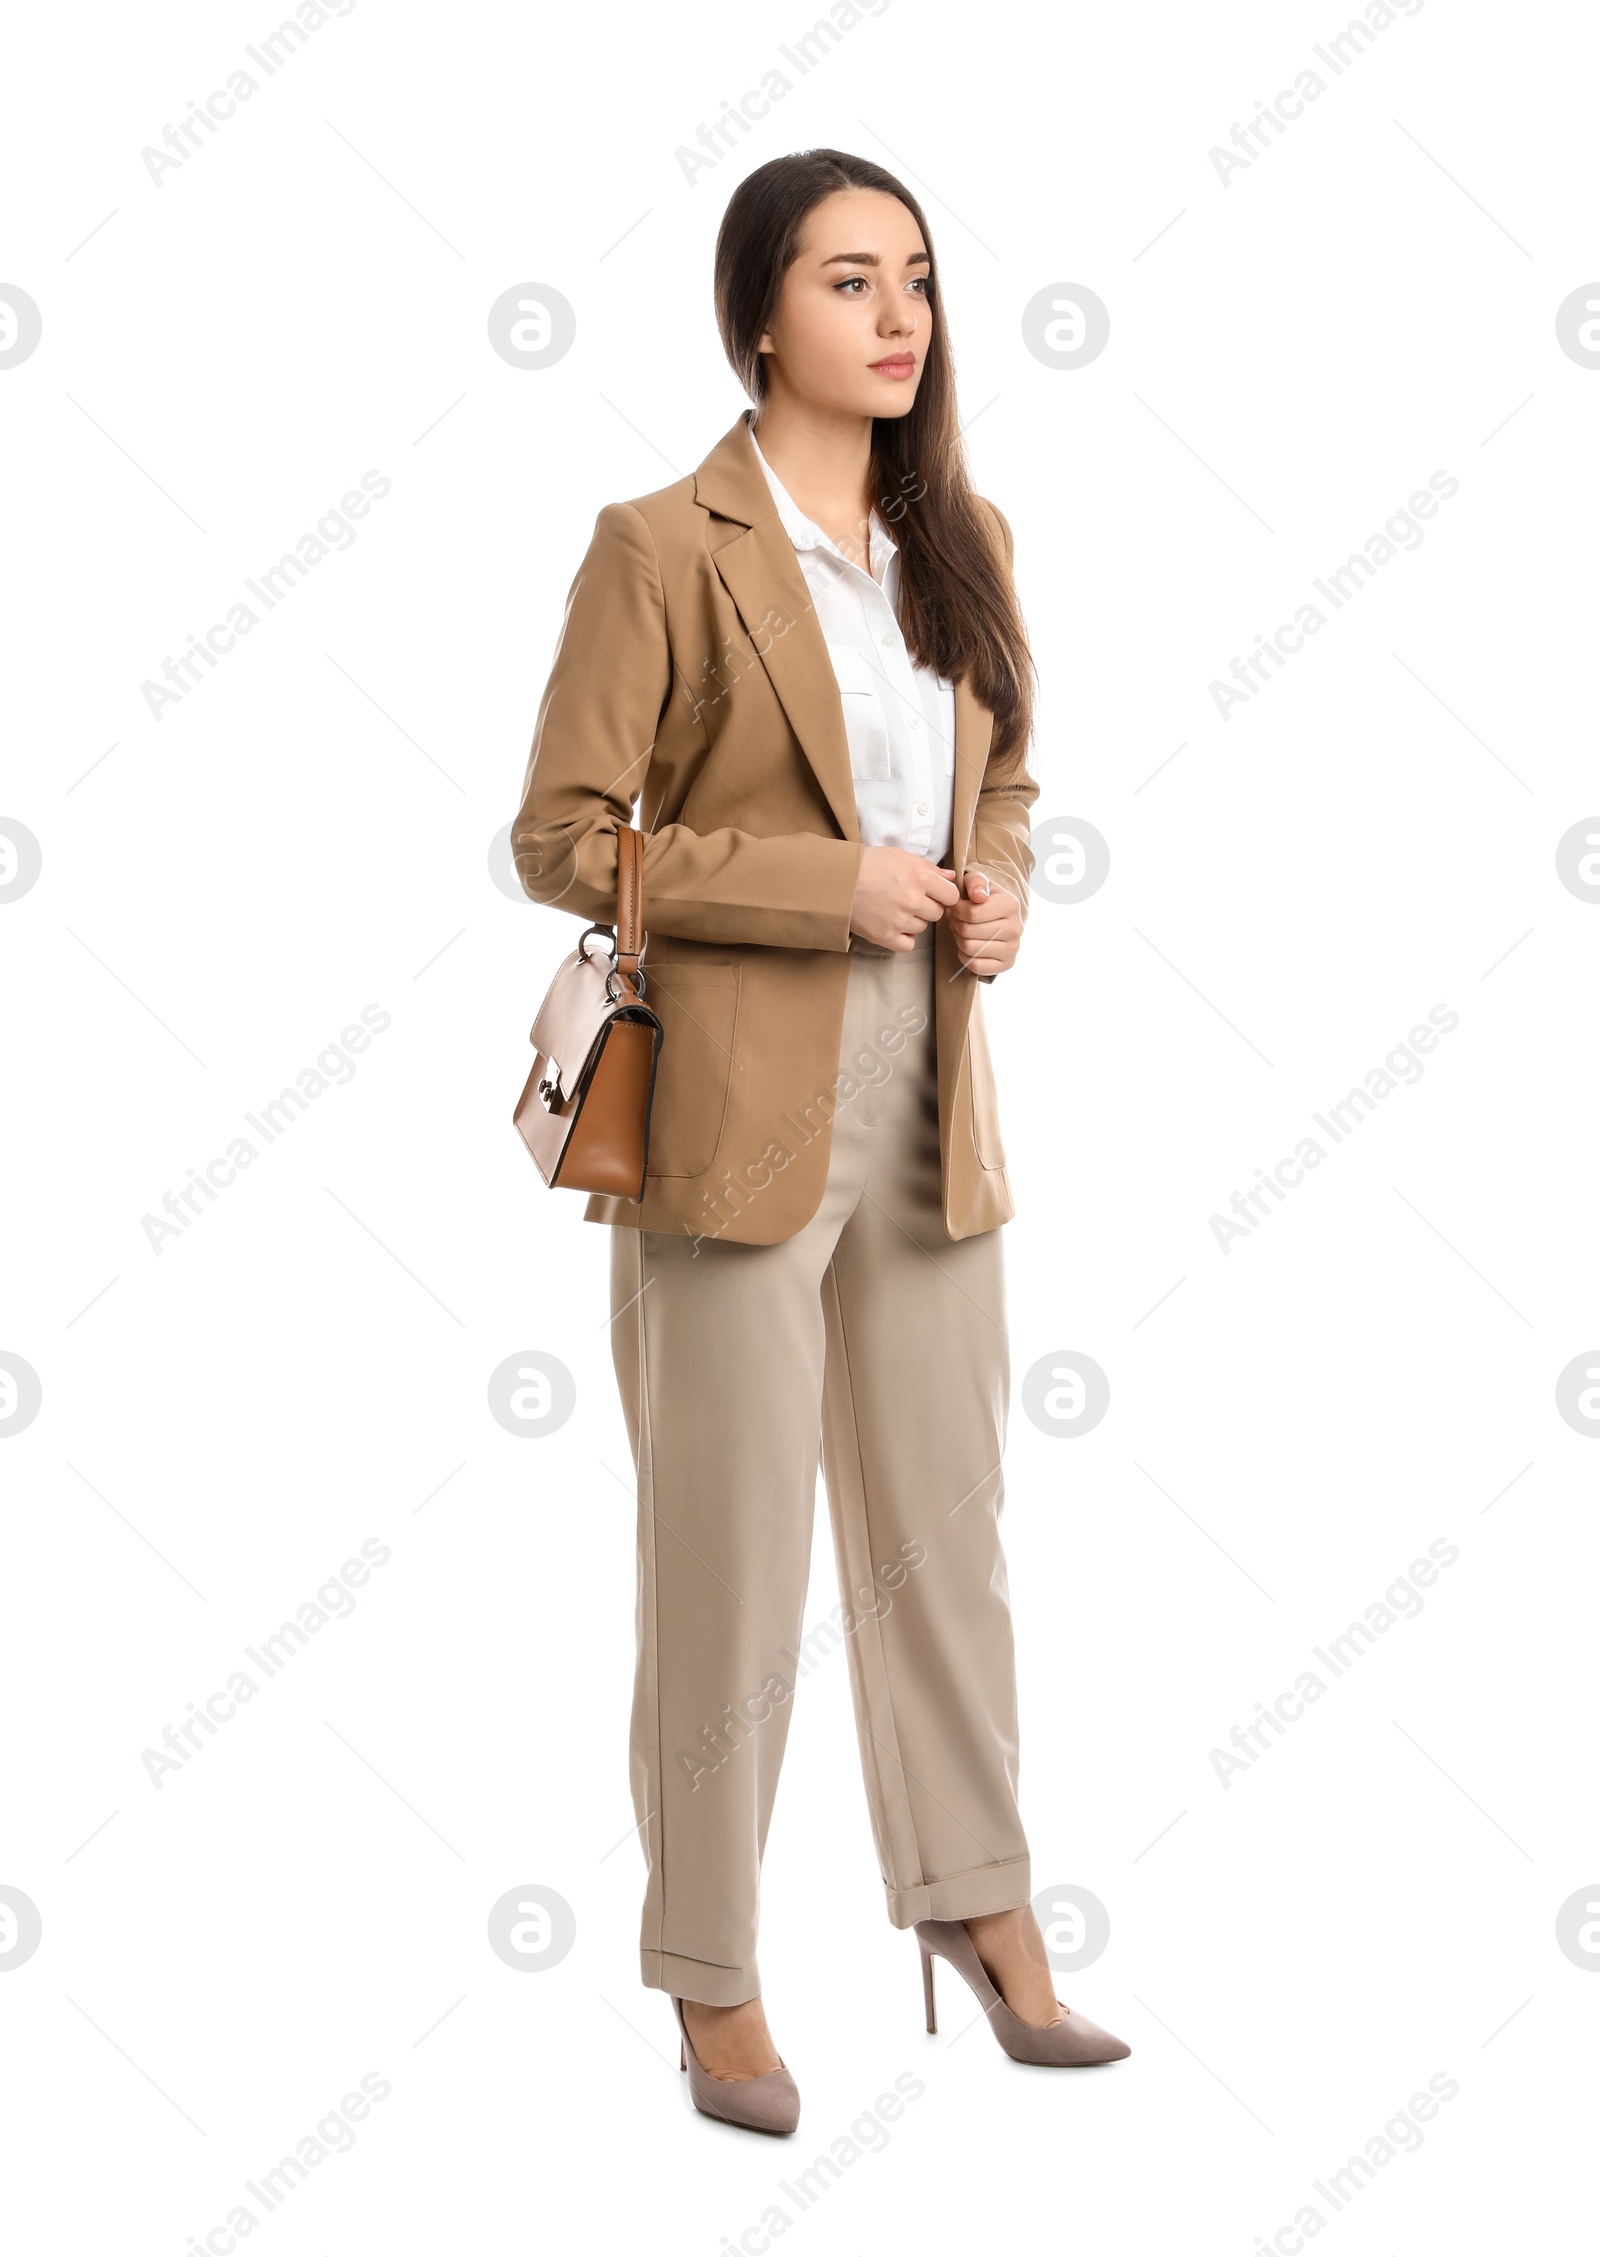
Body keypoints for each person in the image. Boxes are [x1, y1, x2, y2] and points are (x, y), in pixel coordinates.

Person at [512, 147, 1129, 2135]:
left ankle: (979, 1906)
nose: (898, 321)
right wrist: (818, 886)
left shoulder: (967, 537)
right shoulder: (660, 545)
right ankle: (707, 1970)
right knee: (728, 1556)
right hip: (727, 1111)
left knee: (945, 1540)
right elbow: (564, 837)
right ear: (755, 313)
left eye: (919, 283)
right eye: (850, 281)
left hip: (935, 1105)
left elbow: (1000, 776)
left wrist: (994, 889)